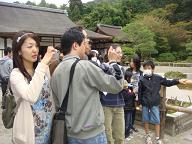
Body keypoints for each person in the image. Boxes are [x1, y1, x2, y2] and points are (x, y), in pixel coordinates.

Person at [51, 28, 124, 144]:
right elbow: (116, 86)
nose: (86, 45)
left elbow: (56, 103)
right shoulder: (85, 66)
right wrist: (114, 63)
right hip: (91, 133)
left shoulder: (56, 71)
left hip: (70, 132)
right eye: (84, 43)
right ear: (75, 45)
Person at [10, 30, 57, 144]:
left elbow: (50, 94)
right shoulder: (16, 74)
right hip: (30, 132)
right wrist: (44, 62)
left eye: (36, 46)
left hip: (49, 125)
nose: (35, 49)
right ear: (19, 51)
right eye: (30, 46)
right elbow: (31, 96)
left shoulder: (42, 69)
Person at [138, 60, 186, 144]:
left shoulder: (158, 78)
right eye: (145, 68)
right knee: (145, 120)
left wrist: (178, 80)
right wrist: (140, 103)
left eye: (149, 68)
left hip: (155, 104)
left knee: (157, 121)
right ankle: (147, 136)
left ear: (153, 69)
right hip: (145, 104)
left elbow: (168, 82)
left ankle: (157, 138)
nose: (147, 70)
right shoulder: (141, 79)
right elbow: (140, 92)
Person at [100, 44, 125, 144]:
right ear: (111, 52)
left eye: (121, 52)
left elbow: (119, 82)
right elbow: (105, 81)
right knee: (107, 136)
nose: (120, 55)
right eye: (118, 52)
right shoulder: (102, 66)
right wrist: (112, 62)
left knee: (119, 136)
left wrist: (113, 63)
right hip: (106, 105)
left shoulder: (121, 68)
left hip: (119, 105)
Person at [125, 55, 142, 133]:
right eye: (130, 61)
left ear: (136, 63)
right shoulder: (128, 70)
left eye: (132, 61)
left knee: (134, 110)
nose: (131, 63)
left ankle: (132, 125)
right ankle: (127, 126)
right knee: (129, 110)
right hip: (129, 94)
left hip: (137, 94)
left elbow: (141, 83)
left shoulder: (140, 72)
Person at [122, 71, 136, 140]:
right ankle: (125, 135)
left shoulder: (130, 86)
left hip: (131, 107)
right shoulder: (124, 85)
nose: (132, 79)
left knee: (129, 121)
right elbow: (126, 96)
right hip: (126, 107)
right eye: (131, 77)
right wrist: (133, 93)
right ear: (128, 77)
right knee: (126, 122)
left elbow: (132, 96)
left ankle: (128, 133)